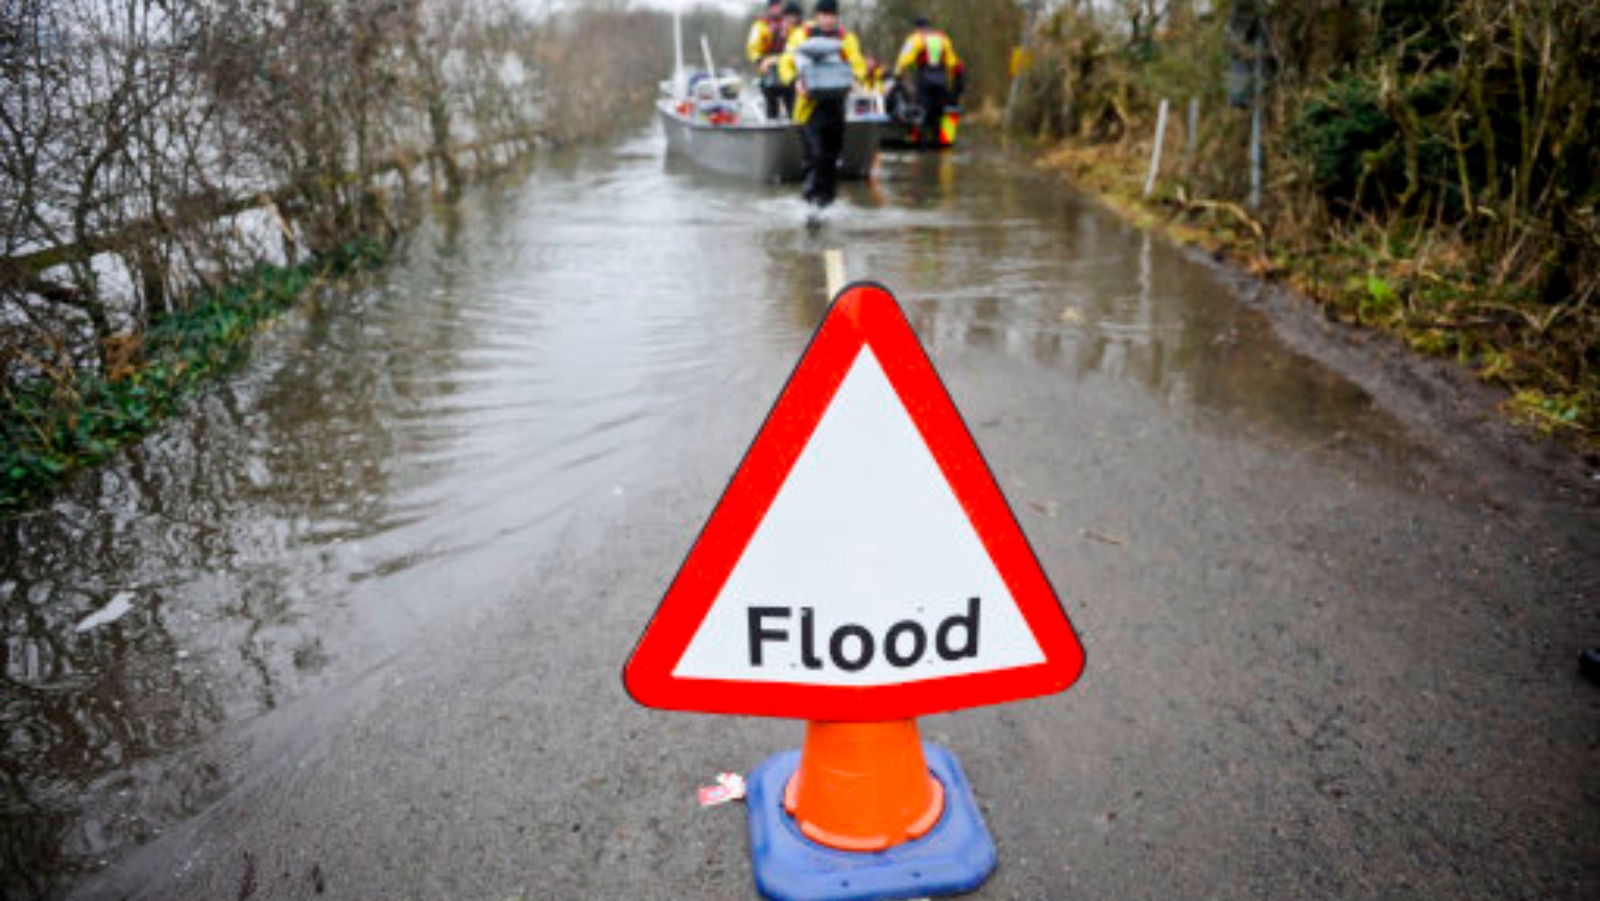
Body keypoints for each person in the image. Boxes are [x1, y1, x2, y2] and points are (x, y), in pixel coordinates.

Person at [780, 0, 867, 217]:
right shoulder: (801, 35)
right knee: (815, 154)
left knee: (831, 157)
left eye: (832, 15)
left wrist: (854, 80)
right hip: (809, 108)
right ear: (817, 16)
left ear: (837, 17)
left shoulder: (847, 39)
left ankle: (827, 201)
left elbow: (858, 64)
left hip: (836, 106)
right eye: (824, 15)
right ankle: (812, 200)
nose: (828, 19)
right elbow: (786, 63)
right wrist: (795, 83)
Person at [893, 16, 964, 147]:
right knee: (940, 110)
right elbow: (952, 62)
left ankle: (919, 141)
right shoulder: (943, 39)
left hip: (925, 78)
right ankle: (941, 140)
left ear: (917, 27)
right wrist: (958, 78)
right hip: (941, 79)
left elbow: (904, 58)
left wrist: (898, 72)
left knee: (921, 109)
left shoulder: (915, 39)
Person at [747, 1, 801, 120]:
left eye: (778, 6)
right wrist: (760, 61)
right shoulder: (760, 26)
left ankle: (793, 128)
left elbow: (796, 44)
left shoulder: (790, 25)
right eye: (774, 6)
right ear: (769, 8)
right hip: (769, 70)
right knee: (771, 104)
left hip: (787, 67)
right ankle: (772, 126)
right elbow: (753, 48)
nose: (776, 9)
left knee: (792, 101)